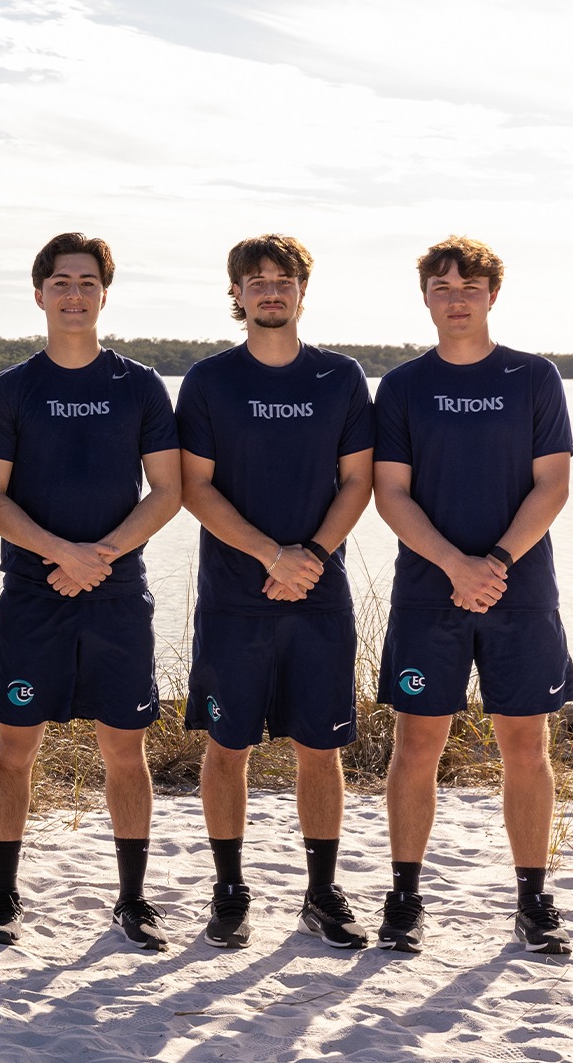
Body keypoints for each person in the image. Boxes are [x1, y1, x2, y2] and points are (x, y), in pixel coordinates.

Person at [0, 232, 181, 950]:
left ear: (103, 294)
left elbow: (168, 490)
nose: (73, 294)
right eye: (60, 282)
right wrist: (63, 555)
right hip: (34, 593)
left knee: (126, 751)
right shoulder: (12, 389)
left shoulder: (140, 385)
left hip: (118, 594)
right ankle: (3, 898)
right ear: (39, 294)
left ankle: (132, 900)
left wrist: (103, 556)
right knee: (13, 750)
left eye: (87, 282)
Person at [372, 236, 573, 955]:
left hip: (520, 591)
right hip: (430, 591)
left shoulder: (533, 376)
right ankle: (404, 897)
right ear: (425, 296)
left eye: (469, 286)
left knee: (526, 742)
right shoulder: (402, 386)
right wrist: (455, 564)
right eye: (441, 286)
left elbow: (552, 482)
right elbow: (388, 493)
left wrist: (493, 560)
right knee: (417, 740)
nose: (455, 298)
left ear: (492, 295)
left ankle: (533, 899)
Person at [176, 235, 374, 950]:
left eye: (283, 279)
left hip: (319, 592)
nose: (270, 290)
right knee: (229, 746)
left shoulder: (340, 377)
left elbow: (359, 480)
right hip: (236, 595)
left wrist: (312, 555)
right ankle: (230, 891)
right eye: (255, 280)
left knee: (320, 748)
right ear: (236, 294)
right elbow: (194, 487)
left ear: (301, 290)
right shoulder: (209, 381)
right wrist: (270, 554)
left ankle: (322, 893)